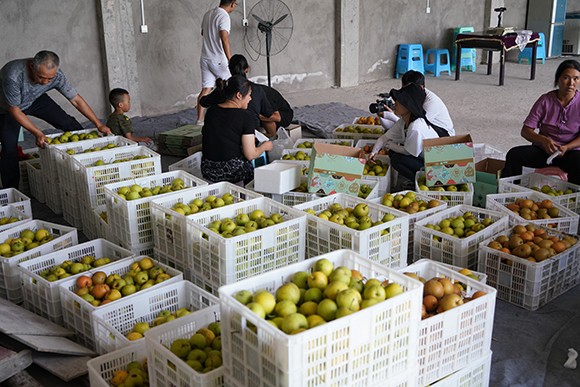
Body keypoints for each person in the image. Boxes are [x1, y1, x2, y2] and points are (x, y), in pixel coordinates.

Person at [0, 50, 111, 189]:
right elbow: (15, 110)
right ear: (30, 66)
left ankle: (89, 167)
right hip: (7, 109)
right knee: (9, 149)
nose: (44, 82)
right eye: (41, 77)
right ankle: (11, 192)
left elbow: (76, 100)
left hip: (35, 100)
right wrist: (38, 133)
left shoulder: (57, 76)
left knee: (69, 124)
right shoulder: (13, 75)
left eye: (49, 79)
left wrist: (98, 124)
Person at [503, 60, 580, 185]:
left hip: (570, 153)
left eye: (576, 79)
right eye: (566, 78)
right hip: (543, 151)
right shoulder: (545, 101)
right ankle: (510, 191)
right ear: (558, 79)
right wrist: (543, 140)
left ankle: (574, 197)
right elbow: (526, 131)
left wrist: (567, 147)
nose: (571, 83)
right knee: (514, 154)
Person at [369, 84, 448, 183]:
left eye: (400, 101)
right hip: (422, 158)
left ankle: (422, 182)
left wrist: (389, 145)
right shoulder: (404, 121)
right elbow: (384, 137)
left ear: (409, 106)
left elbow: (408, 152)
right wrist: (374, 152)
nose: (395, 104)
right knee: (394, 153)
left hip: (438, 168)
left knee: (398, 159)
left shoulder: (416, 127)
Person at [201, 75, 273, 184]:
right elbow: (250, 154)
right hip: (232, 172)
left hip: (208, 169)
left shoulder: (212, 111)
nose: (250, 99)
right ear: (239, 95)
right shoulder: (245, 117)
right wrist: (265, 146)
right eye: (249, 95)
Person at [200, 54, 276, 134]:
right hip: (248, 135)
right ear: (247, 69)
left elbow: (203, 102)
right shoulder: (257, 89)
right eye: (249, 95)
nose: (250, 98)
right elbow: (268, 114)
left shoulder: (224, 89)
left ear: (229, 69)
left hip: (227, 133)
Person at [377, 70, 454, 136]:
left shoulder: (430, 103)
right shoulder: (412, 98)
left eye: (408, 90)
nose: (404, 94)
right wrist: (383, 117)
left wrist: (392, 116)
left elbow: (417, 128)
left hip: (443, 135)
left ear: (421, 88)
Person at [197, 0, 237, 125]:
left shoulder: (208, 13)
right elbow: (224, 38)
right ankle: (230, 118)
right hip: (218, 59)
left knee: (206, 89)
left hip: (205, 58)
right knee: (232, 88)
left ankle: (199, 120)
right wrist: (230, 59)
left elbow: (203, 32)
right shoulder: (224, 16)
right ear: (232, 3)